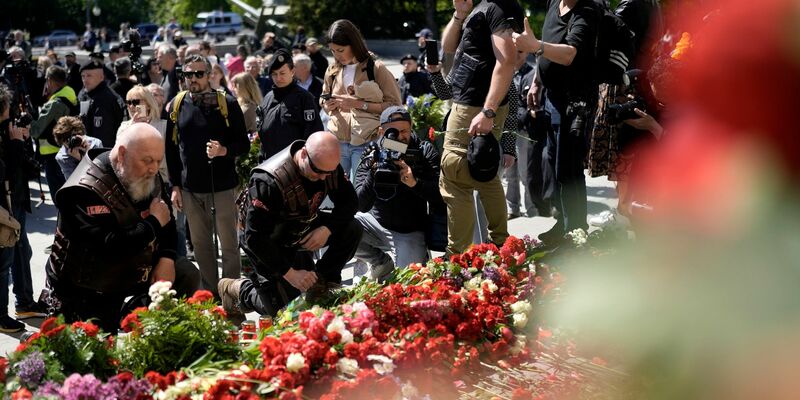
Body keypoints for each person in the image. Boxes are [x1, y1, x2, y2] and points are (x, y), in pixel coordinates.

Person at [45, 123, 200, 332]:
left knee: (185, 273)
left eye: (158, 161)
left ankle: (148, 329)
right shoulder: (85, 188)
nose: (154, 168)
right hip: (87, 285)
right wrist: (153, 223)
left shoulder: (147, 175)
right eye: (147, 161)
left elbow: (167, 221)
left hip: (129, 268)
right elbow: (109, 245)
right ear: (122, 154)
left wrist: (167, 258)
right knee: (97, 350)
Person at [218, 131, 361, 321]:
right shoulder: (268, 181)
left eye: (328, 173)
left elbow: (350, 202)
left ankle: (322, 283)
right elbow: (255, 237)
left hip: (300, 227)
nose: (322, 178)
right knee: (286, 314)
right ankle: (238, 289)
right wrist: (291, 274)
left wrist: (327, 230)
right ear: (303, 154)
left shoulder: (326, 166)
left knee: (352, 227)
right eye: (318, 172)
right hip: (267, 241)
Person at [438, 0, 525, 254]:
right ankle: (501, 244)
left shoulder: (497, 7)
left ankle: (460, 255)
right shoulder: (485, 6)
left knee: (454, 171)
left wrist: (488, 111)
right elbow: (448, 47)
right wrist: (460, 15)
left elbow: (509, 59)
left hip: (475, 105)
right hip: (473, 102)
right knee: (481, 168)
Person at [512, 0, 600, 244]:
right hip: (553, 98)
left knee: (569, 169)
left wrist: (535, 46)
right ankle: (563, 222)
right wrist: (537, 81)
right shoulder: (554, 3)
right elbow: (548, 44)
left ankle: (576, 232)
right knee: (554, 165)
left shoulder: (587, 10)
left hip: (576, 102)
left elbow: (569, 53)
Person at [165, 54, 249, 298]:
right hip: (190, 189)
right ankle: (210, 295)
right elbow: (171, 149)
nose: (192, 79)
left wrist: (224, 150)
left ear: (210, 75)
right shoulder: (177, 104)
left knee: (229, 246)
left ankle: (232, 297)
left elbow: (243, 144)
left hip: (221, 186)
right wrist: (175, 186)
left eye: (198, 74)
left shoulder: (227, 103)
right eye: (188, 74)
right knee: (201, 247)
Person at [354, 107, 444, 281]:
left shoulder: (424, 151)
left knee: (409, 283)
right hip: (376, 224)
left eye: (405, 131)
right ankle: (380, 262)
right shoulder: (373, 153)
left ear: (412, 129)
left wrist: (415, 183)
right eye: (392, 132)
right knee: (340, 225)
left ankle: (420, 255)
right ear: (381, 131)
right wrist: (375, 173)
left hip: (409, 231)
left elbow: (440, 197)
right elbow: (360, 205)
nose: (400, 137)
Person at [321, 19, 402, 180]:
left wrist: (359, 104)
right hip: (337, 141)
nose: (336, 55)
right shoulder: (332, 70)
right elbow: (322, 99)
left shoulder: (376, 68)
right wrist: (327, 104)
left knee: (362, 196)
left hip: (367, 141)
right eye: (332, 51)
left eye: (340, 50)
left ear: (353, 44)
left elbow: (394, 106)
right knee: (335, 194)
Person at [0, 84, 45, 331]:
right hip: (6, 205)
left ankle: (24, 303)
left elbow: (30, 167)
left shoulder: (9, 130)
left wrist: (21, 140)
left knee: (21, 253)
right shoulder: (4, 135)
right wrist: (16, 144)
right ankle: (8, 311)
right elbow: (6, 169)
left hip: (15, 201)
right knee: (7, 259)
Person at [256, 49, 323, 160]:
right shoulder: (267, 98)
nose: (278, 78)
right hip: (269, 163)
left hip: (294, 163)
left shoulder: (304, 98)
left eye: (282, 73)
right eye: (274, 74)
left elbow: (313, 134)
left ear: (292, 72)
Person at [30, 65, 77, 197]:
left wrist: (29, 120)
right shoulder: (70, 95)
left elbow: (36, 131)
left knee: (59, 197)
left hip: (52, 154)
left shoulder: (54, 104)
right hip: (67, 150)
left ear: (50, 80)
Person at [78, 60, 126, 147]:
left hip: (102, 152)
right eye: (83, 76)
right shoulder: (87, 94)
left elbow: (103, 137)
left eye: (89, 76)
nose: (85, 79)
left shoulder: (106, 98)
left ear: (101, 77)